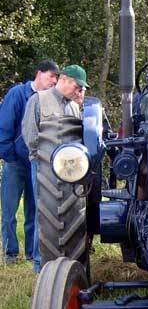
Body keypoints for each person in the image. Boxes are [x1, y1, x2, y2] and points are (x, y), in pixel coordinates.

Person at [22, 64, 89, 272]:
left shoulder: (73, 105)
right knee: (45, 212)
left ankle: (68, 259)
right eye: (77, 86)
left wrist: (80, 103)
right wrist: (41, 158)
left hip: (70, 170)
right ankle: (38, 264)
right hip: (44, 167)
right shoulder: (39, 100)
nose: (78, 91)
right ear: (66, 80)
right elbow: (30, 134)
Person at [0, 60, 59, 264]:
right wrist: (9, 155)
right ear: (39, 73)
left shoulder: (49, 99)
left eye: (57, 78)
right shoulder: (18, 94)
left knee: (35, 210)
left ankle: (32, 253)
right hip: (15, 162)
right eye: (51, 76)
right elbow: (5, 124)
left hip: (37, 163)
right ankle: (10, 253)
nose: (54, 81)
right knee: (9, 210)